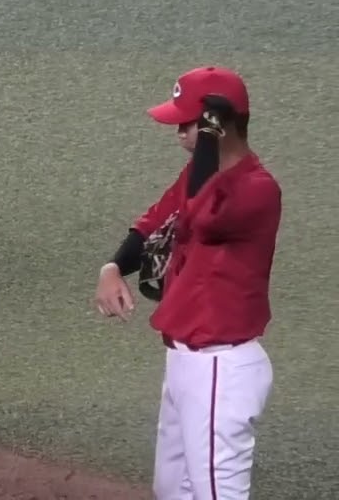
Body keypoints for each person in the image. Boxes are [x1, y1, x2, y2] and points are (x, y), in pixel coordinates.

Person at [94, 66, 280, 500]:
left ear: (219, 124)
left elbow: (203, 213)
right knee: (171, 489)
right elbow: (152, 223)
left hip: (221, 368)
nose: (178, 132)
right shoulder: (194, 177)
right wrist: (113, 267)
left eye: (189, 123)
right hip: (184, 364)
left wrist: (211, 136)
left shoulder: (257, 189)